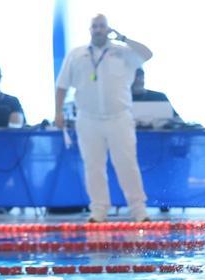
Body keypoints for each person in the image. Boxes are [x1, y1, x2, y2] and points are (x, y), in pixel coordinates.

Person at [55, 14, 153, 223]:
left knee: (127, 165)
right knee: (93, 166)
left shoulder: (123, 52)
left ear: (108, 29)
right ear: (89, 29)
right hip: (88, 119)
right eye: (95, 26)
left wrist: (123, 38)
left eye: (102, 26)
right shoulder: (76, 54)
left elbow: (148, 54)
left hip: (119, 118)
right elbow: (61, 85)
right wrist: (58, 112)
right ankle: (98, 211)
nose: (98, 29)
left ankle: (139, 210)